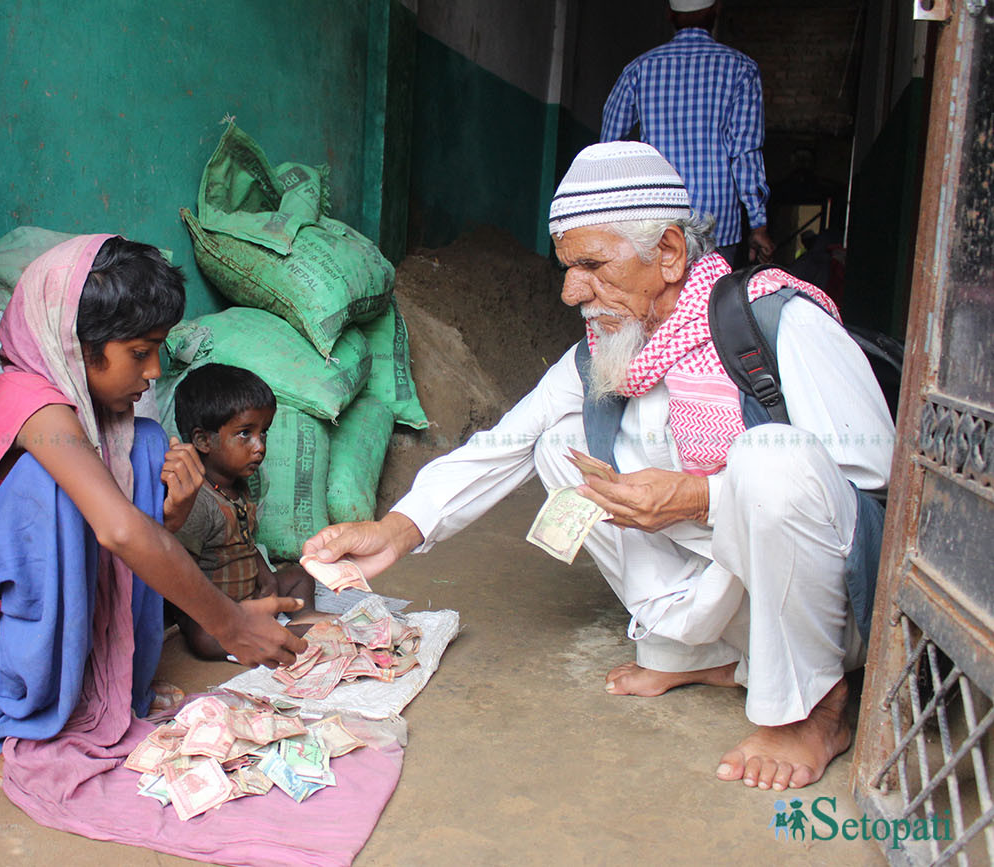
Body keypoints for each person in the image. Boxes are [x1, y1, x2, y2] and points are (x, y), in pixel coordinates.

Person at [304, 141, 894, 793]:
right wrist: (398, 528)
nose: (569, 290)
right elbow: (506, 441)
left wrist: (703, 496)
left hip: (830, 607)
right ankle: (711, 651)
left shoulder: (777, 320)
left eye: (591, 264)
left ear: (668, 252)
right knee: (560, 441)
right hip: (731, 578)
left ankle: (817, 705)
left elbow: (873, 475)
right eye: (567, 266)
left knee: (770, 462)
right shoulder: (602, 351)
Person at [0, 234, 307, 766]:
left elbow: (128, 538)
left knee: (147, 444)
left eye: (157, 350)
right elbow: (116, 532)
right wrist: (230, 623)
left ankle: (110, 686)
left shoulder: (100, 418)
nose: (155, 370)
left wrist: (171, 515)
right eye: (139, 353)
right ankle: (29, 701)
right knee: (58, 487)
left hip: (30, 613)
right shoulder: (27, 402)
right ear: (75, 345)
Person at [600, 0, 776, 265]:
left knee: (658, 304)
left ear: (670, 15)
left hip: (656, 220)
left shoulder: (639, 69)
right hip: (718, 226)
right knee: (710, 303)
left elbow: (608, 147)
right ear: (716, 11)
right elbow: (745, 152)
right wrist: (758, 223)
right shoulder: (741, 69)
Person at [170, 363, 318, 659]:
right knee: (201, 637)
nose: (259, 446)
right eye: (245, 434)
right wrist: (220, 613)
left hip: (251, 593)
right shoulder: (197, 501)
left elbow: (247, 543)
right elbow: (181, 571)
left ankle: (304, 617)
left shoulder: (241, 486)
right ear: (202, 440)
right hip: (218, 609)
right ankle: (290, 635)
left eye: (263, 433)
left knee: (301, 577)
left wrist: (266, 576)